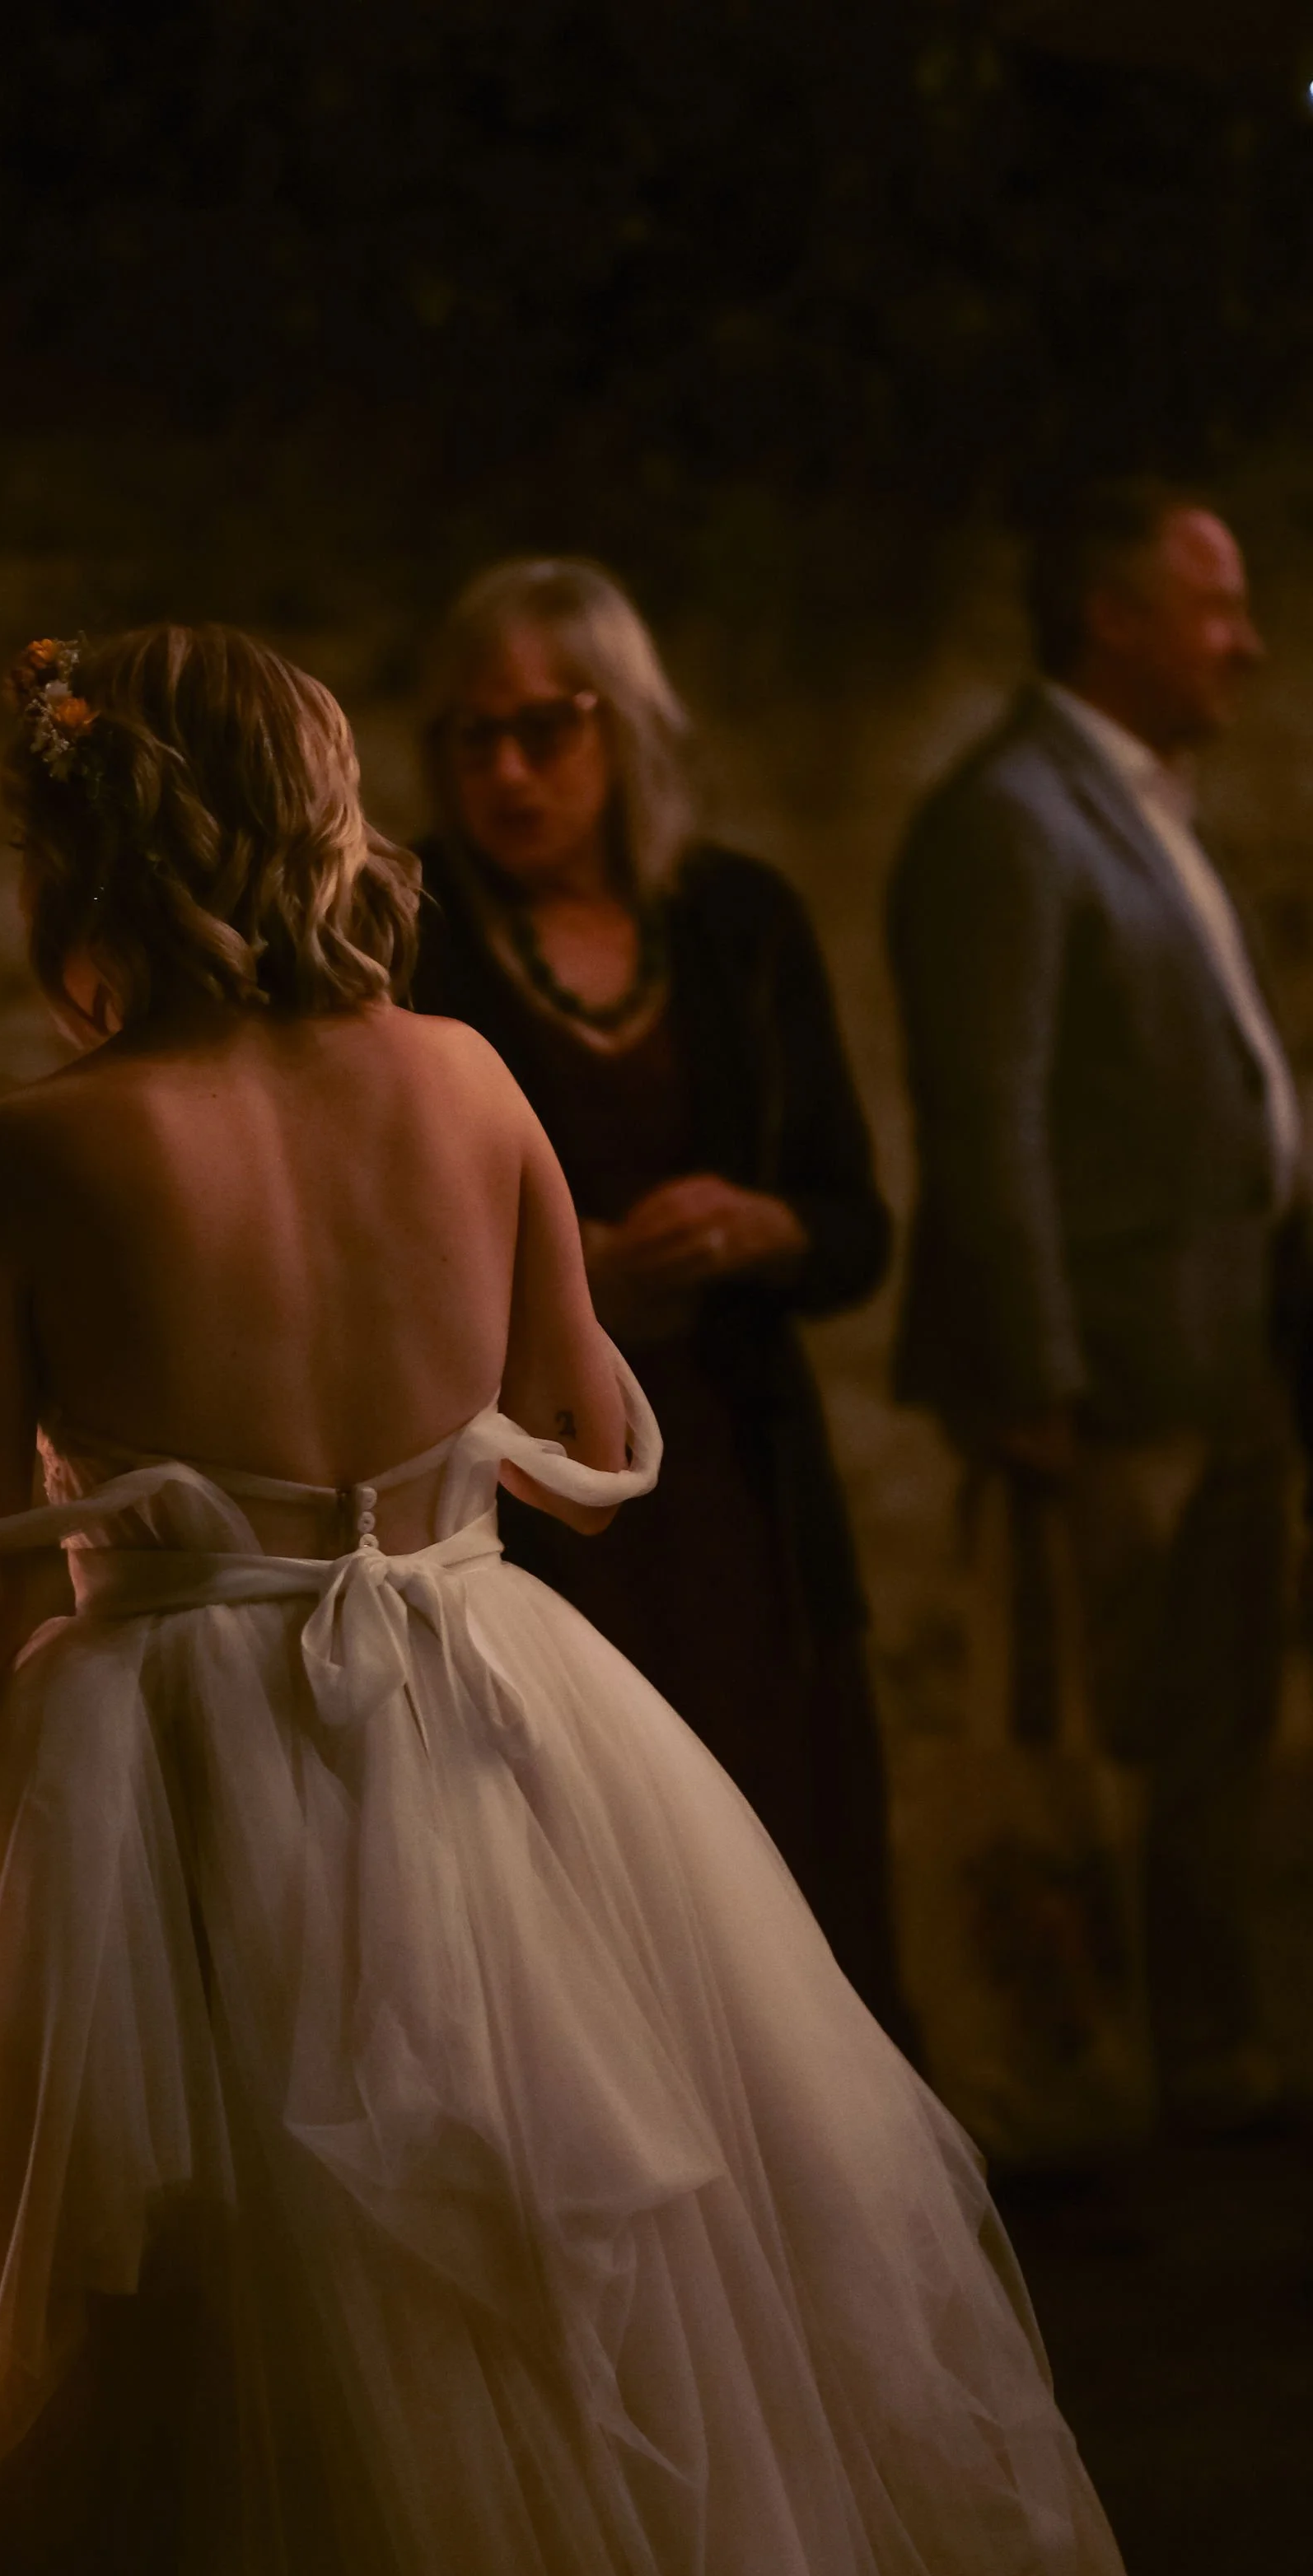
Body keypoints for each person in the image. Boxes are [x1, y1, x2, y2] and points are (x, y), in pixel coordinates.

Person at [0, 625, 1302, 2576]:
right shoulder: (465, 1084)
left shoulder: (11, 1163)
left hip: (160, 1780)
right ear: (323, 819)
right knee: (570, 2312)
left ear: (83, 849)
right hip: (483, 1735)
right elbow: (583, 1444)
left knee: (179, 2363)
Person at [412, 558, 908, 2048]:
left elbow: (855, 1225)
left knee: (785, 1840)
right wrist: (573, 1277)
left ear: (626, 728)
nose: (508, 770)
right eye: (472, 736)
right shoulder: (418, 932)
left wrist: (761, 1227)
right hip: (543, 1497)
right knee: (590, 1884)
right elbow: (380, 1232)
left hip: (739, 1467)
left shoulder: (738, 922)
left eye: (546, 728)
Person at [890, 481, 1305, 2129]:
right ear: (1112, 618)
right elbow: (990, 1117)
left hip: (1225, 1364)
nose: (1250, 642)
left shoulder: (1142, 804)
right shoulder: (1009, 815)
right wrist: (1039, 1379)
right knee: (1064, 1767)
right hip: (1108, 1389)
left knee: (1208, 1753)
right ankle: (1061, 2087)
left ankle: (1202, 2058)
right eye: (1218, 607)